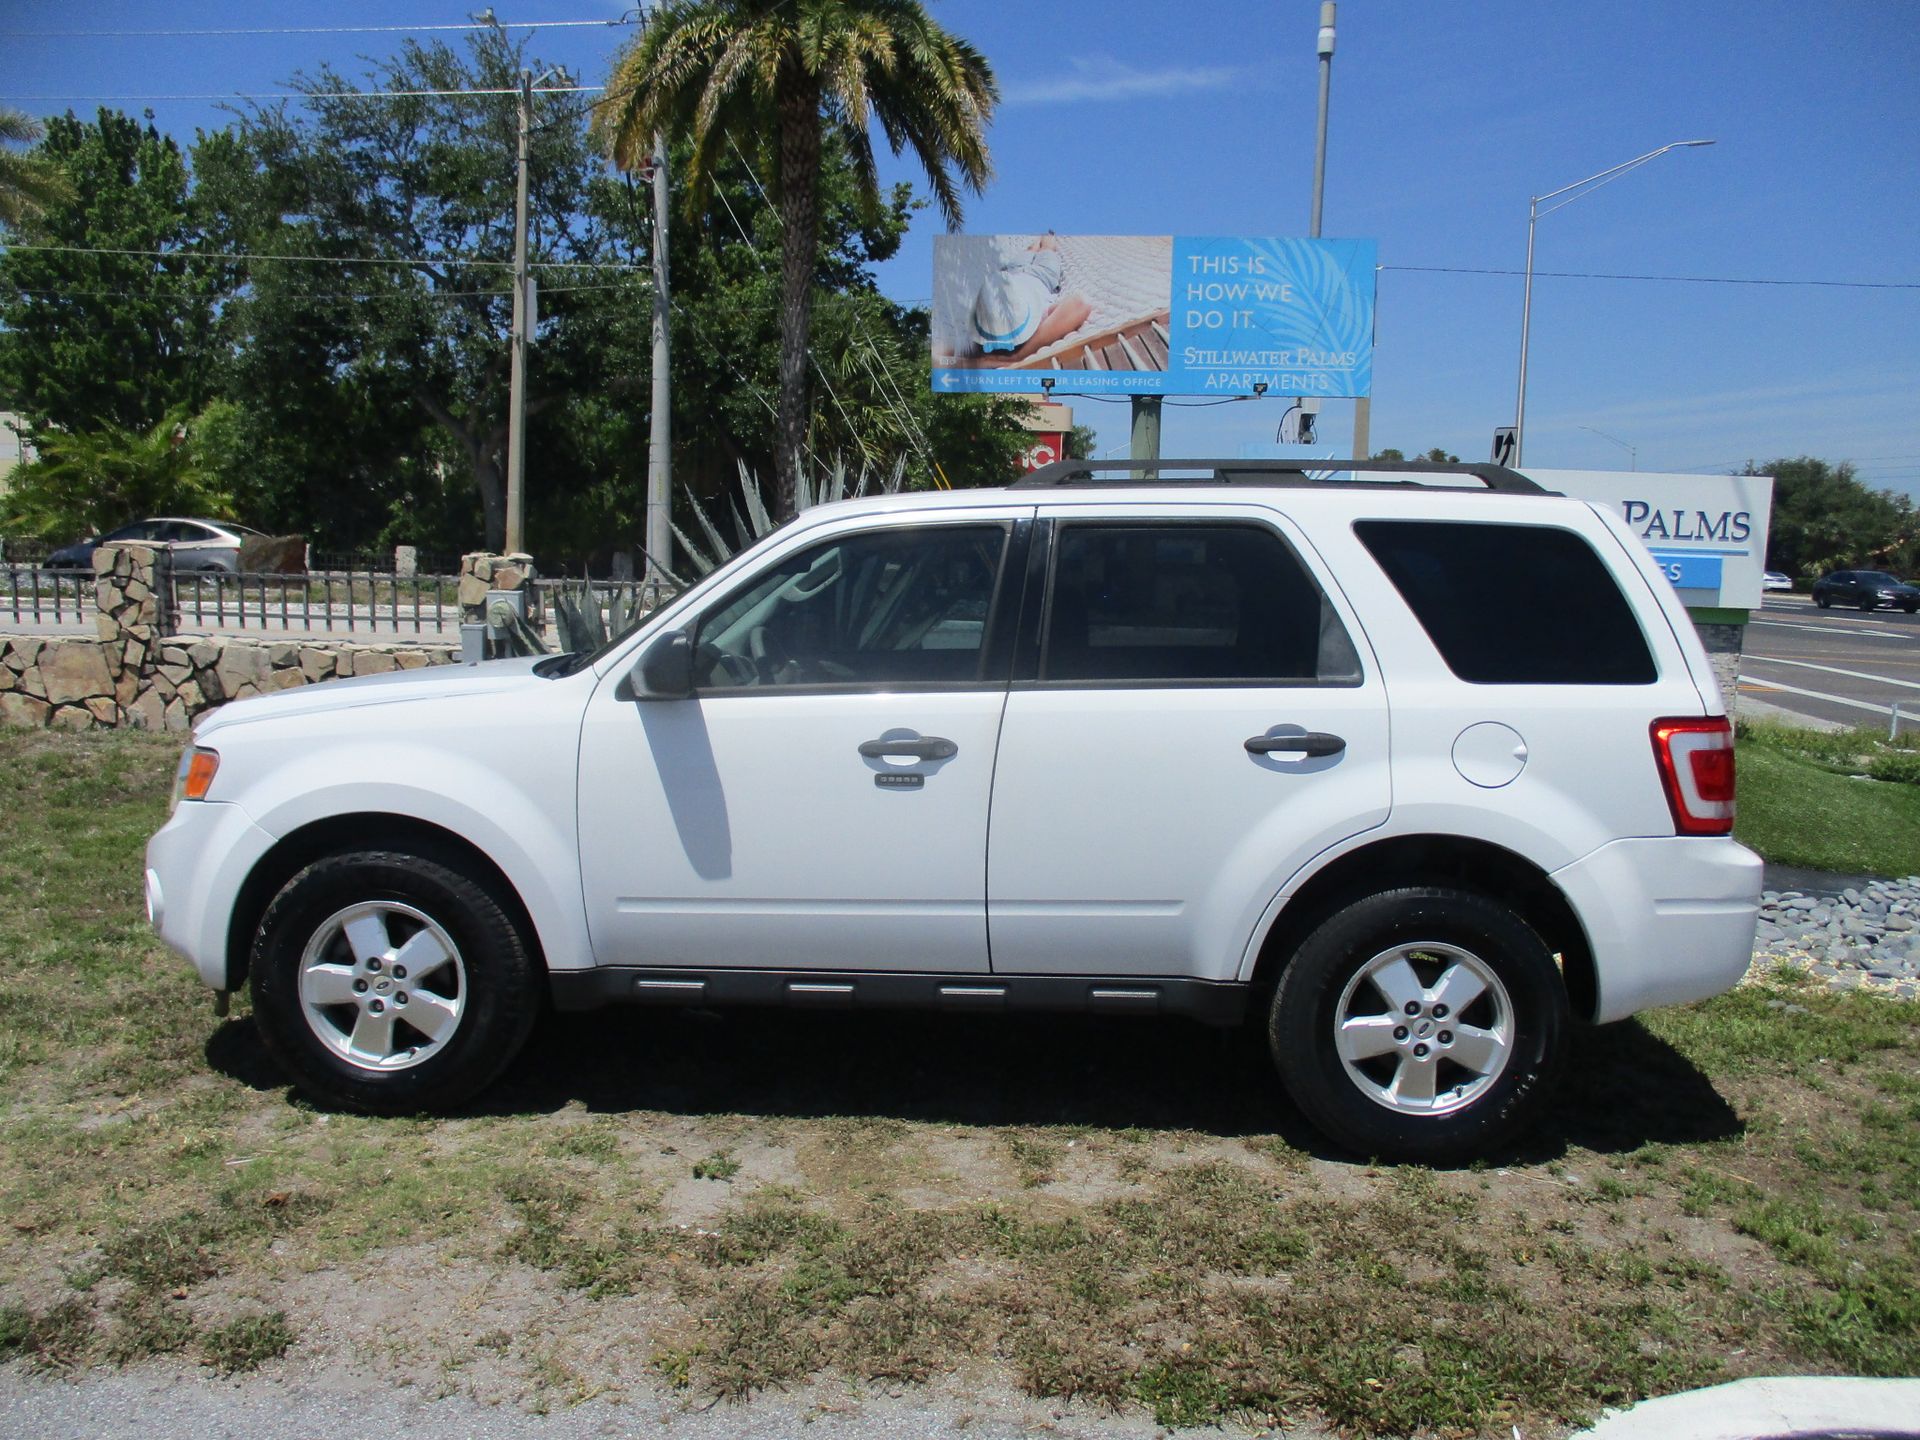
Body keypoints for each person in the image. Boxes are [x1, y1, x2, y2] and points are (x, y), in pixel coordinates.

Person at [966, 234, 1092, 367]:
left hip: (1012, 273)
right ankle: (1048, 233)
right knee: (1047, 247)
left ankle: (1037, 238)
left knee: (1031, 249)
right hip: (1042, 275)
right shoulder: (1037, 322)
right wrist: (1020, 355)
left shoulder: (983, 323)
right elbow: (1080, 303)